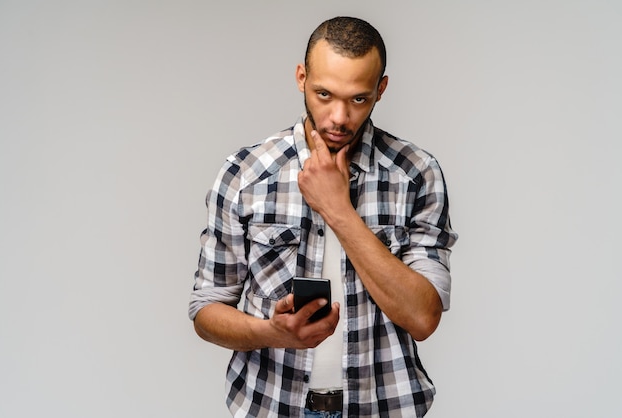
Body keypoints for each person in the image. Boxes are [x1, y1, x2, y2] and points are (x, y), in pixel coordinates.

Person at [189, 16, 458, 418]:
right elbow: (207, 309)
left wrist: (337, 207)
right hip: (272, 406)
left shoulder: (415, 174)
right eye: (324, 94)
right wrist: (272, 332)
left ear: (381, 89)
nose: (338, 117)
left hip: (384, 408)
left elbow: (422, 317)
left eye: (358, 99)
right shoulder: (245, 174)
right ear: (301, 77)